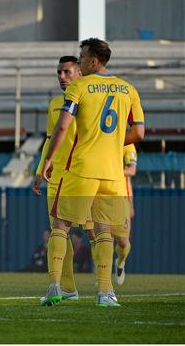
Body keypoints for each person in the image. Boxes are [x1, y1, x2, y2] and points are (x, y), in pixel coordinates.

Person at [40, 38, 145, 307]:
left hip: (83, 169)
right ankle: (106, 293)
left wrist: (49, 159)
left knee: (61, 225)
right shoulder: (128, 89)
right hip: (112, 175)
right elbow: (139, 133)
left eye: (83, 57)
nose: (80, 61)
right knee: (104, 232)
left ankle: (55, 287)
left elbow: (63, 129)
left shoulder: (79, 87)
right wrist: (110, 144)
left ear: (94, 61)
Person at [32, 56, 85, 300]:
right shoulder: (55, 103)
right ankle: (68, 288)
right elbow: (51, 139)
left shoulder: (90, 99)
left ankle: (107, 290)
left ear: (80, 73)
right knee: (59, 231)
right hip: (59, 176)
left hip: (86, 175)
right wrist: (40, 169)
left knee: (96, 233)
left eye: (67, 72)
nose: (62, 77)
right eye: (59, 73)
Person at [112, 144, 137, 285]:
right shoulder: (103, 139)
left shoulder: (128, 145)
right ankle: (101, 276)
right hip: (102, 194)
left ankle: (120, 262)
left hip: (122, 197)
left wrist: (131, 203)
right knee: (102, 237)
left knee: (122, 241)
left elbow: (132, 170)